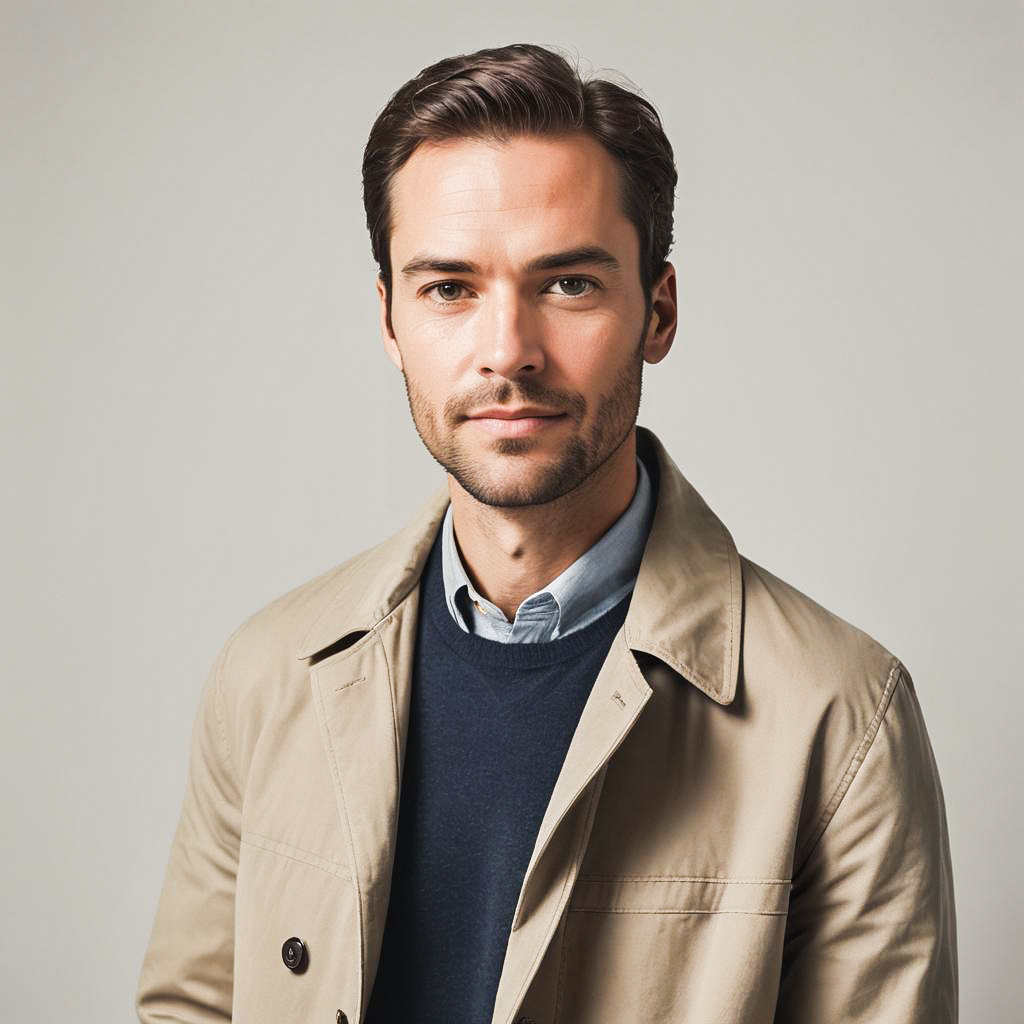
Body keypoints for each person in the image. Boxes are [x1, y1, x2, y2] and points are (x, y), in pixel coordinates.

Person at [136, 43, 957, 1024]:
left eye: (566, 284)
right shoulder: (269, 674)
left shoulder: (839, 717)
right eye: (449, 288)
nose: (507, 351)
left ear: (657, 310)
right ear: (390, 320)